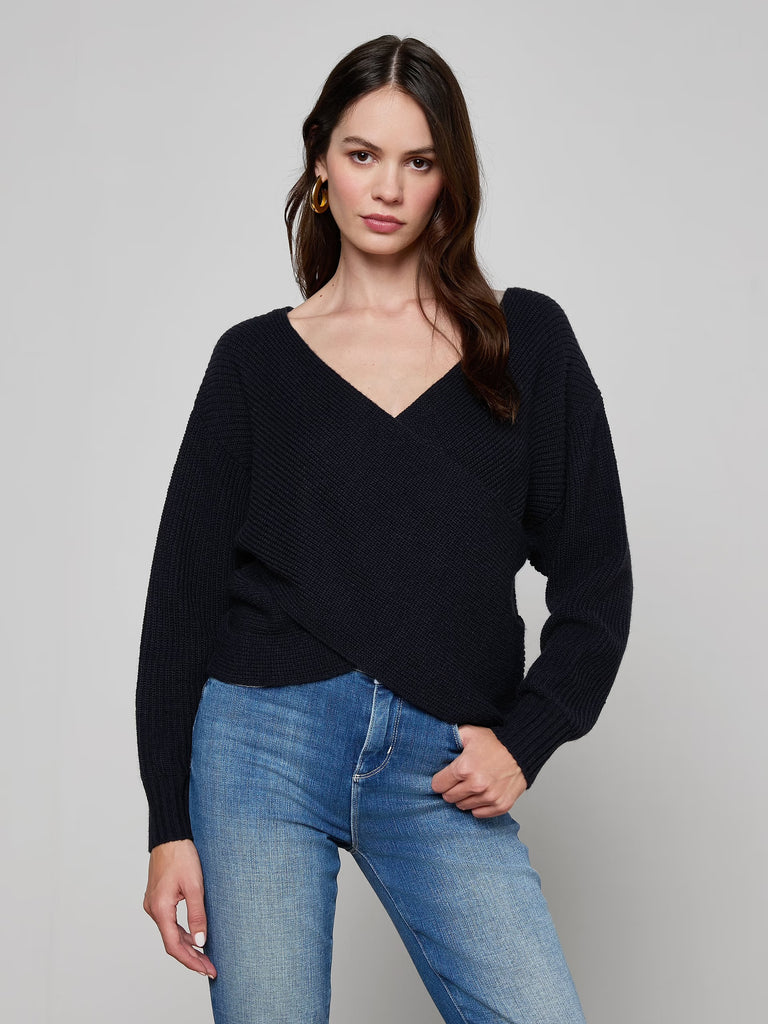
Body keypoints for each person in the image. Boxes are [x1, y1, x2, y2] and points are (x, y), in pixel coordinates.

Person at [136, 34, 633, 1024]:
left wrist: (527, 739)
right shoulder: (253, 364)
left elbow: (598, 583)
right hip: (258, 747)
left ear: (451, 177)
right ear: (321, 161)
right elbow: (180, 603)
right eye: (363, 154)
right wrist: (167, 824)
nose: (388, 188)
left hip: (438, 759)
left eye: (419, 160)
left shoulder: (524, 342)